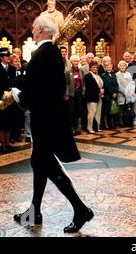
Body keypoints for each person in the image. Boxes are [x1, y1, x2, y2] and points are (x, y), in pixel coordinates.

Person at [14, 15, 93, 233]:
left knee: (45, 164)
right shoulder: (52, 53)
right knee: (39, 164)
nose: (31, 29)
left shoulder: (42, 54)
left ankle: (81, 209)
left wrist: (18, 94)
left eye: (33, 27)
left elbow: (37, 92)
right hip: (50, 120)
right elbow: (47, 87)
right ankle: (35, 212)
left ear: (40, 29)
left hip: (45, 121)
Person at [84, 62, 104, 133]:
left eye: (96, 67)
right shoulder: (88, 76)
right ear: (90, 68)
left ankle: (97, 127)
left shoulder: (98, 76)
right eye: (93, 67)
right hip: (91, 97)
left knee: (98, 112)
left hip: (99, 96)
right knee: (91, 113)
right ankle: (89, 127)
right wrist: (99, 90)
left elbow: (102, 85)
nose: (95, 69)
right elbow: (91, 86)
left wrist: (102, 90)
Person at [116, 60, 136, 127]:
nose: (122, 67)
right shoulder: (117, 75)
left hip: (129, 95)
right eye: (121, 66)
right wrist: (125, 92)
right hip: (122, 95)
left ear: (126, 66)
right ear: (119, 67)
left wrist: (131, 91)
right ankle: (120, 122)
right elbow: (118, 85)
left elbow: (132, 83)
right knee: (121, 110)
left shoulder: (128, 74)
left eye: (124, 65)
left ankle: (128, 121)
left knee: (128, 108)